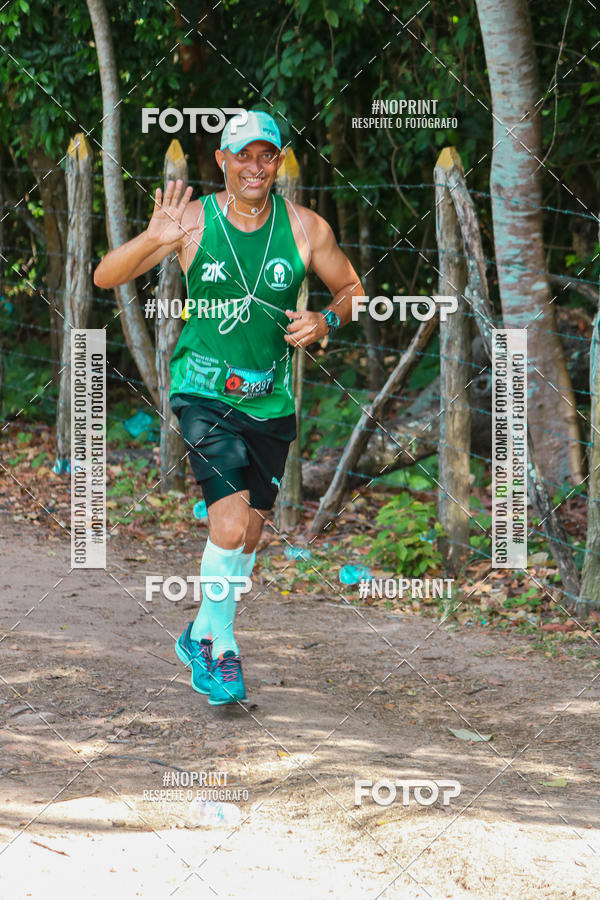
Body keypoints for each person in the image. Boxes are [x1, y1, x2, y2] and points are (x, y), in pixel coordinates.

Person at [94, 110, 364, 706]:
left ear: (280, 162)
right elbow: (105, 275)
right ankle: (223, 649)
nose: (255, 166)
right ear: (222, 161)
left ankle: (197, 633)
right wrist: (154, 239)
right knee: (230, 523)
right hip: (204, 390)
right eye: (242, 155)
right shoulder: (190, 221)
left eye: (266, 155)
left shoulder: (304, 228)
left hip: (270, 399)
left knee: (249, 540)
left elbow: (353, 290)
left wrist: (326, 319)